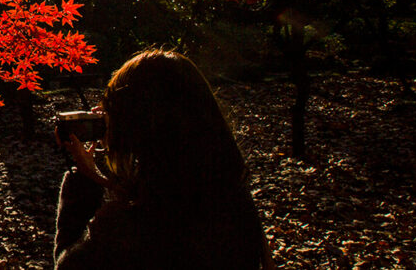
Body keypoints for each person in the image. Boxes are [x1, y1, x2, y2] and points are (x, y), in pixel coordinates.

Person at [54, 50, 272, 269]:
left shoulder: (128, 224)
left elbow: (68, 265)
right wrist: (101, 178)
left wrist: (83, 187)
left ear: (134, 124)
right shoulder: (233, 197)